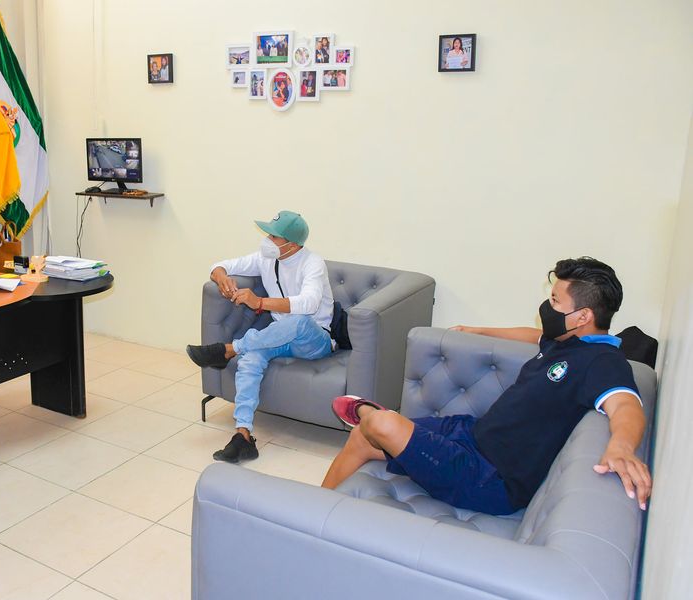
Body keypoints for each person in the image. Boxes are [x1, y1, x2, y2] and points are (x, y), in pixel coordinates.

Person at [322, 257, 652, 515]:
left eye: (555, 301)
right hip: (473, 435)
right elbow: (533, 335)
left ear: (582, 316)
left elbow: (626, 404)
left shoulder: (603, 361)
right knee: (362, 436)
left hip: (490, 478)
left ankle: (368, 412)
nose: (547, 306)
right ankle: (313, 509)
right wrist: (478, 331)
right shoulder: (566, 340)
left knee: (382, 423)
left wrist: (622, 447)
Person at [186, 211, 335, 463]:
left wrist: (260, 302)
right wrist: (222, 278)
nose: (267, 239)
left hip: (315, 339)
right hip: (280, 336)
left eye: (274, 236)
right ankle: (243, 435)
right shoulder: (266, 259)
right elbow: (220, 265)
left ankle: (229, 349)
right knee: (251, 359)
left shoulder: (313, 263)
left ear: (292, 244)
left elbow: (309, 303)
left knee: (298, 321)